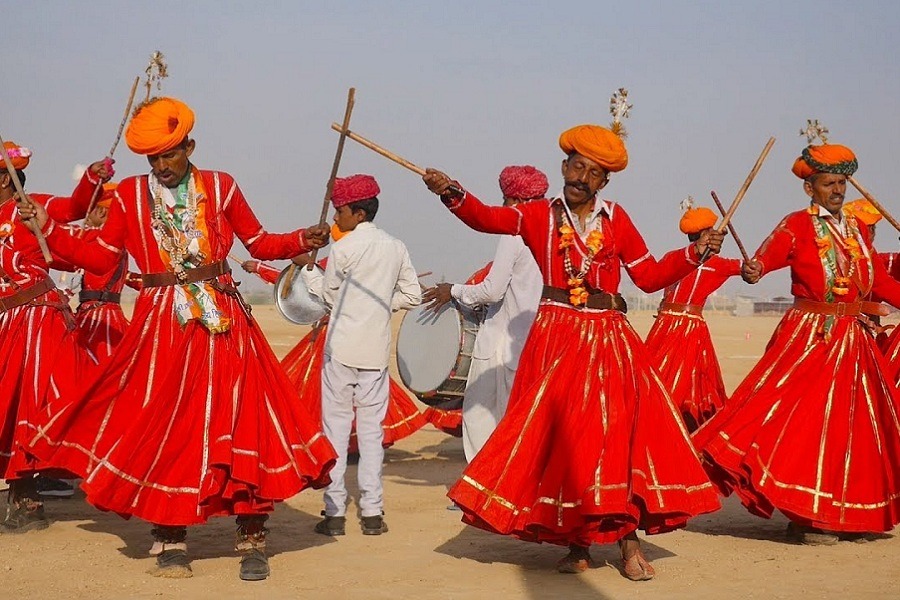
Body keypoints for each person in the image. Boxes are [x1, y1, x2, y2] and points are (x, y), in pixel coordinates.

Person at [17, 97, 337, 580]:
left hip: (224, 319)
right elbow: (102, 258)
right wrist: (47, 229)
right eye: (153, 158)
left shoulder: (220, 186)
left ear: (190, 146)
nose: (160, 166)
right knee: (166, 425)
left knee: (241, 415)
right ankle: (170, 538)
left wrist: (300, 241)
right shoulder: (127, 194)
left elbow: (260, 242)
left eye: (169, 155)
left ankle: (252, 535)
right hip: (160, 325)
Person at [423, 122, 723, 580]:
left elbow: (647, 276)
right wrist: (451, 192)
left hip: (609, 339)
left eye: (594, 172)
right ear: (563, 167)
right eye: (576, 166)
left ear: (604, 182)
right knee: (567, 443)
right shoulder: (538, 216)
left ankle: (627, 545)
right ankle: (577, 543)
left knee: (617, 438)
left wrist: (694, 254)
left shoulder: (617, 219)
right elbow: (486, 218)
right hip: (557, 338)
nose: (581, 177)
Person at [694, 136, 900, 546]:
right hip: (811, 338)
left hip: (854, 340)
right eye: (829, 184)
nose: (837, 191)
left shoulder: (859, 230)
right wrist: (753, 270)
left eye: (842, 184)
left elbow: (879, 281)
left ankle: (850, 516)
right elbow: (762, 262)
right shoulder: (795, 224)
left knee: (853, 429)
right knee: (802, 427)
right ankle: (809, 517)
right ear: (811, 188)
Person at [0, 140, 110, 530]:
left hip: (36, 319)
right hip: (7, 320)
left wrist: (93, 178)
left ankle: (26, 500)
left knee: (28, 405)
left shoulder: (30, 206)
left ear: (6, 179)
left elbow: (74, 208)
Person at [314, 174, 422, 538]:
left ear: (358, 213)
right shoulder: (396, 246)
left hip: (341, 350)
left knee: (336, 431)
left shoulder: (342, 250)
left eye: (340, 211)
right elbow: (412, 294)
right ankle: (373, 514)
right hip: (374, 354)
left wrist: (304, 268)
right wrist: (380, 306)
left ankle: (334, 513)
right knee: (372, 434)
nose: (336, 218)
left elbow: (329, 296)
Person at [241, 252, 426, 452]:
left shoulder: (343, 263)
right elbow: (298, 282)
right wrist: (260, 268)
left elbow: (312, 279)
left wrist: (263, 267)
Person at [423, 165, 545, 461]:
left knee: (480, 423)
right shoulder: (551, 231)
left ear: (513, 201)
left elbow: (492, 290)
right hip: (533, 345)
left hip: (500, 348)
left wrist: (453, 290)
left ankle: (481, 498)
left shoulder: (514, 233)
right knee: (517, 427)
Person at [643, 200, 741, 431]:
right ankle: (668, 425)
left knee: (666, 377)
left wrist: (752, 268)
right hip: (684, 328)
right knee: (676, 380)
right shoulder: (715, 265)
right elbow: (746, 268)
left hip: (666, 326)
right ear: (705, 235)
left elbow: (748, 269)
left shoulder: (676, 257)